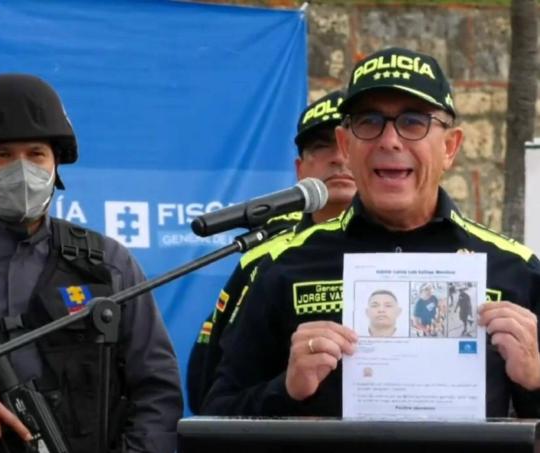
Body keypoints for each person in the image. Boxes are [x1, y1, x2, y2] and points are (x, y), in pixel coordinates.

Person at [202, 47, 540, 418]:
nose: (389, 140)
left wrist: (534, 381)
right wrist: (287, 390)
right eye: (369, 121)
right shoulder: (285, 265)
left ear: (449, 147)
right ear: (346, 145)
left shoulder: (517, 270)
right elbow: (217, 415)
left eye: (413, 121)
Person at [0, 74, 182, 452]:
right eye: (2, 155)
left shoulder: (107, 264)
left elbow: (157, 390)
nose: (22, 171)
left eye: (36, 154)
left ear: (55, 164)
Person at [187, 90, 356, 413]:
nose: (338, 157)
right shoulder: (266, 254)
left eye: (348, 143)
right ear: (300, 169)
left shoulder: (424, 250)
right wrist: (286, 387)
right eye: (322, 146)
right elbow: (207, 387)